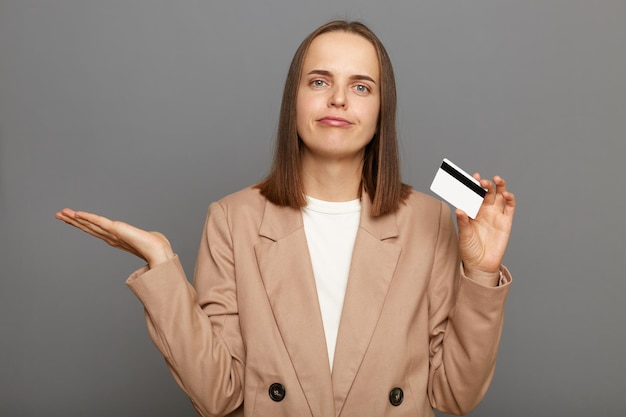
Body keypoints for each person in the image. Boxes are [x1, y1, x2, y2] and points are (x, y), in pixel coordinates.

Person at [56, 20, 515, 417]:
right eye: (318, 81)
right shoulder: (231, 219)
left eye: (361, 86)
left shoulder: (431, 219)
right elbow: (219, 395)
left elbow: (456, 395)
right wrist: (162, 267)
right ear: (292, 99)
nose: (338, 99)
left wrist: (481, 271)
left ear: (381, 111)